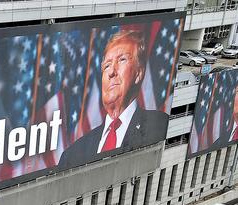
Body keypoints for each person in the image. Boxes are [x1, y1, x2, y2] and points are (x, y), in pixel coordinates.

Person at [58, 30, 168, 169]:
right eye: (107, 65)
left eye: (122, 60)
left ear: (139, 73)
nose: (111, 72)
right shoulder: (72, 155)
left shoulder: (159, 124)